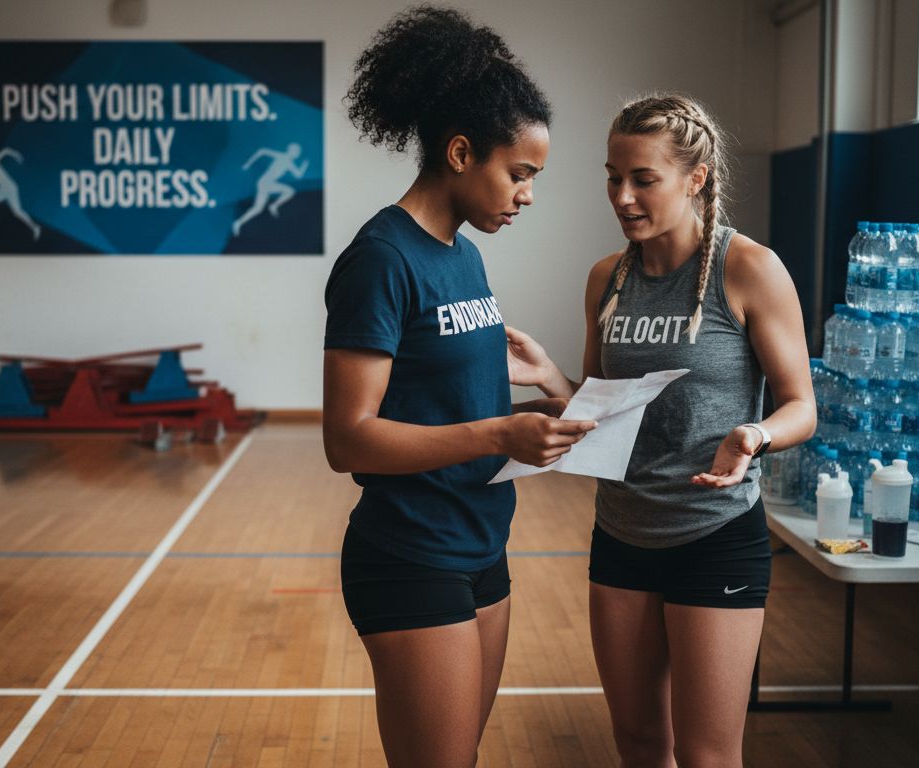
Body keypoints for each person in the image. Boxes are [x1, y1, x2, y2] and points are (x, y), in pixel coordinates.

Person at [322, 7, 597, 767]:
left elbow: (442, 392)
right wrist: (501, 433)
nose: (527, 195)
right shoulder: (381, 259)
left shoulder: (464, 257)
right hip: (411, 554)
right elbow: (347, 440)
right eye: (520, 173)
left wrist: (535, 400)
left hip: (482, 544)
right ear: (459, 151)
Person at [506, 93, 816, 768]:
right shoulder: (605, 280)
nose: (622, 195)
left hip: (716, 536)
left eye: (643, 178)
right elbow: (601, 410)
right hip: (621, 534)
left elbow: (801, 405)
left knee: (707, 754)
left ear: (694, 179)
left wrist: (753, 436)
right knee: (641, 743)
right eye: (613, 176)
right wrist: (552, 380)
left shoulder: (749, 269)